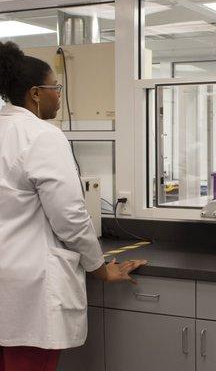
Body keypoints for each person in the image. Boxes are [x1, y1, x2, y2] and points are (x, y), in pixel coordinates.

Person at [0, 41, 147, 371]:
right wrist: (100, 267)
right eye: (56, 87)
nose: (59, 94)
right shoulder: (42, 136)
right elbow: (69, 216)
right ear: (36, 93)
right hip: (30, 287)